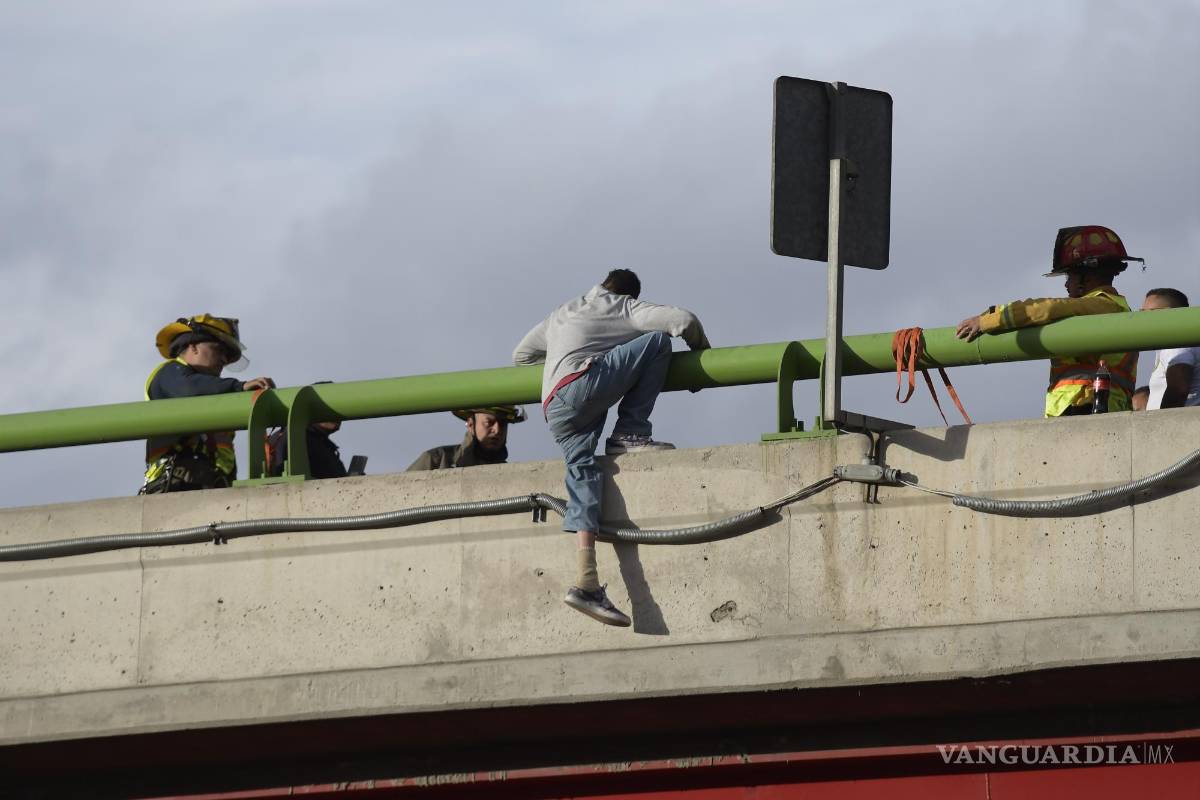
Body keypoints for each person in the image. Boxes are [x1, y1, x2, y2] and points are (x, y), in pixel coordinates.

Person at [513, 268, 710, 627]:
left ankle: (586, 583)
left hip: (555, 408)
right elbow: (683, 320)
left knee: (585, 478)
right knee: (657, 342)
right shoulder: (621, 307)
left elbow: (521, 355)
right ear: (628, 296)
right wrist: (703, 351)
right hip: (581, 388)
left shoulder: (562, 311)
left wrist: (565, 356)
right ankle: (630, 433)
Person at [956, 226, 1142, 416]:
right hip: (1091, 409)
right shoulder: (1109, 308)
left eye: (1070, 275)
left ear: (1089, 274)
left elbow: (1045, 308)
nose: (1066, 284)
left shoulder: (1101, 306)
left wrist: (987, 320)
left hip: (1086, 407)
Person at [141, 315, 274, 493]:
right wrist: (239, 386)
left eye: (227, 356)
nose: (224, 360)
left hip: (212, 487)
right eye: (219, 350)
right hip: (174, 487)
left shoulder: (217, 391)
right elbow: (190, 389)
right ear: (193, 346)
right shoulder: (169, 373)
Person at [406, 405, 527, 471]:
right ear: (470, 424)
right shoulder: (436, 461)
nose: (497, 430)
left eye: (503, 424)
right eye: (489, 422)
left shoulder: (509, 474)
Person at [1140, 288, 1200, 409]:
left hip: (1179, 425)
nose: (1144, 319)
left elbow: (1178, 390)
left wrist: (1162, 424)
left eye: (1153, 312)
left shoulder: (1177, 342)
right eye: (1142, 312)